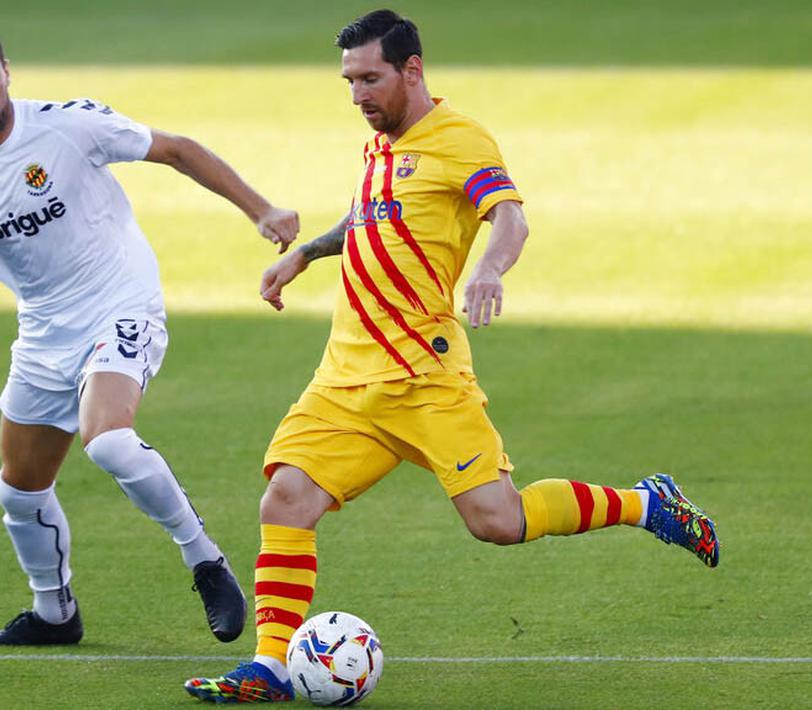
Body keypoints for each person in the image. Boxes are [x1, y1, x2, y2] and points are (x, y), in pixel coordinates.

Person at [184, 9, 719, 703]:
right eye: (348, 81)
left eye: (370, 79)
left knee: (497, 521)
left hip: (424, 376)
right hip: (347, 374)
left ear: (412, 70)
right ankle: (270, 668)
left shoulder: (459, 139)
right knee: (285, 499)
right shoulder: (382, 140)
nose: (357, 96)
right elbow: (373, 215)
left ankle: (645, 504)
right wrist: (309, 256)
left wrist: (490, 270)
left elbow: (508, 215)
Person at [0, 15, 300, 647]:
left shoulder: (65, 125)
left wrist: (263, 210)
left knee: (108, 440)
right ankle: (55, 613)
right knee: (19, 491)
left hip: (121, 301)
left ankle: (207, 561)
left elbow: (177, 149)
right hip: (44, 329)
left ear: (6, 72)